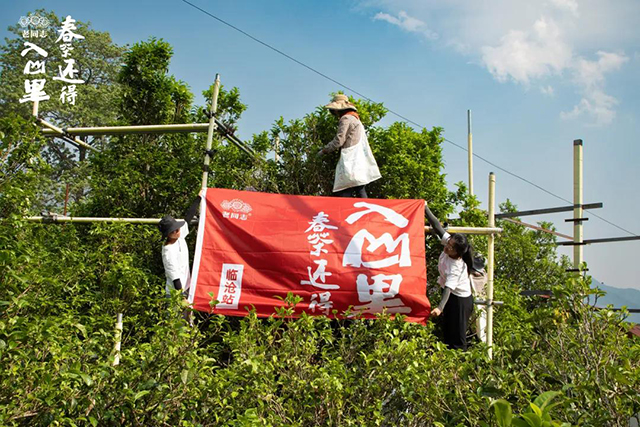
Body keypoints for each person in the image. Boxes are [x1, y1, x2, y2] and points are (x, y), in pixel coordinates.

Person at [424, 204, 475, 350]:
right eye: (449, 243)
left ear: (458, 254)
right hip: (451, 297)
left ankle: (461, 367)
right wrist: (425, 207)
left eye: (451, 248)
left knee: (457, 337)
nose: (447, 247)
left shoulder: (456, 266)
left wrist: (440, 308)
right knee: (447, 332)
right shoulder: (448, 243)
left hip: (460, 300)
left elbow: (448, 289)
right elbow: (436, 224)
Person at [317, 94, 381, 198]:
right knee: (360, 188)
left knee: (345, 190)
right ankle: (367, 212)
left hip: (350, 158)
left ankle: (345, 213)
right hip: (359, 159)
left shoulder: (346, 119)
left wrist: (324, 150)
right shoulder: (356, 119)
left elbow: (339, 140)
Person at [158, 193, 202, 298]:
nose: (178, 231)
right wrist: (181, 297)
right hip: (175, 293)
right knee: (175, 314)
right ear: (168, 234)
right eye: (174, 230)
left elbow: (188, 218)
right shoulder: (168, 251)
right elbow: (175, 277)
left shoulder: (179, 237)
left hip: (186, 288)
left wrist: (199, 197)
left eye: (177, 228)